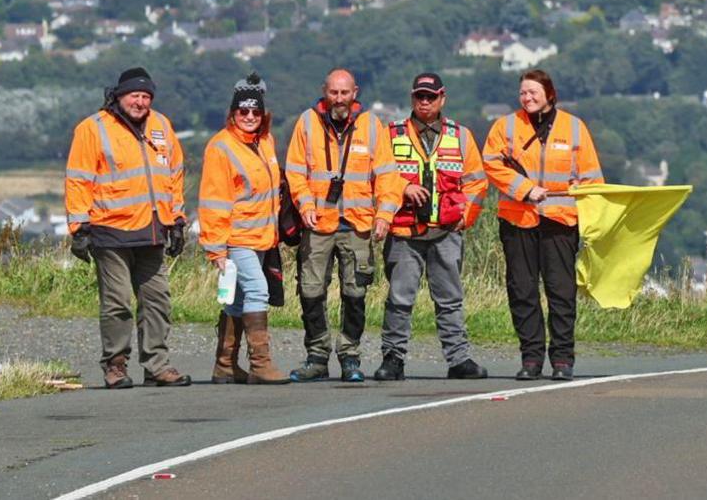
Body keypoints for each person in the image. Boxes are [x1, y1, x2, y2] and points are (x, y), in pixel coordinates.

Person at [64, 66, 191, 389]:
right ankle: (115, 365)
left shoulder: (161, 125)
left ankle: (157, 365)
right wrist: (79, 227)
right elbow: (79, 178)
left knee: (157, 300)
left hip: (153, 229)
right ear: (119, 96)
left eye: (146, 96)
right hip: (110, 230)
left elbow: (174, 174)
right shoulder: (93, 129)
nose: (140, 102)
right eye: (135, 95)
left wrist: (177, 219)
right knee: (117, 302)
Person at [482, 68, 603, 381]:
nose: (527, 97)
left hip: (560, 221)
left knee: (561, 292)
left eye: (533, 92)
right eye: (523, 92)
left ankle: (562, 359)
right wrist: (525, 189)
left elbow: (593, 177)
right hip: (517, 219)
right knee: (522, 291)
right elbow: (492, 164)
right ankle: (531, 358)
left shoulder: (574, 129)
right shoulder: (505, 127)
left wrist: (584, 195)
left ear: (549, 94)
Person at [373, 73, 490, 382]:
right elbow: (376, 175)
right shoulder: (392, 134)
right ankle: (393, 359)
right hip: (404, 232)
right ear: (412, 98)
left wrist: (466, 218)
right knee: (399, 299)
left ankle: (459, 359)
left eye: (431, 97)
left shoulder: (460, 135)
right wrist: (402, 187)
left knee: (450, 299)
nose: (425, 102)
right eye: (419, 97)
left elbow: (477, 182)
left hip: (446, 231)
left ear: (442, 98)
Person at [283, 68, 397, 383]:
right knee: (310, 290)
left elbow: (388, 176)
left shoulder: (372, 126)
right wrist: (304, 204)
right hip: (318, 221)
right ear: (325, 91)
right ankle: (317, 356)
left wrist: (384, 215)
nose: (339, 99)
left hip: (357, 223)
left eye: (344, 93)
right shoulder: (307, 122)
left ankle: (350, 356)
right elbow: (294, 171)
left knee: (355, 292)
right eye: (333, 92)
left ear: (355, 92)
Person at [197, 73, 288, 386]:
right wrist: (216, 248)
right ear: (232, 114)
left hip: (262, 237)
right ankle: (261, 364)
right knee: (258, 291)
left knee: (236, 300)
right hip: (236, 238)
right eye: (243, 112)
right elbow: (213, 201)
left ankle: (225, 365)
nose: (250, 117)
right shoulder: (220, 148)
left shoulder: (264, 142)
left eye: (255, 112)